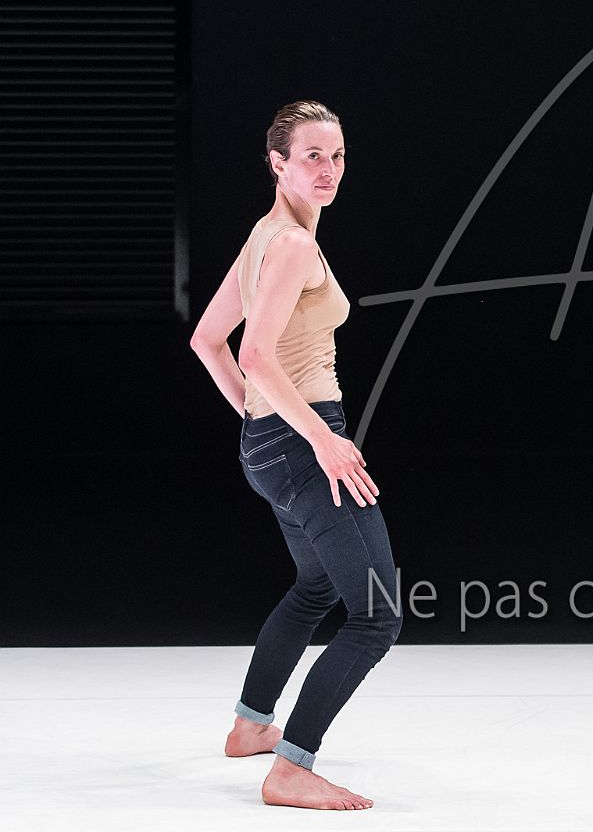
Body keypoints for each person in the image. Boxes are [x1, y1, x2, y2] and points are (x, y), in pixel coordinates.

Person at [188, 100, 397, 810]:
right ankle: (291, 768)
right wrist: (320, 439)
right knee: (377, 616)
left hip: (272, 444)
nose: (328, 169)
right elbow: (252, 353)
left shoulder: (266, 236)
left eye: (336, 156)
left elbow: (207, 340)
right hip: (305, 441)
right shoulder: (294, 246)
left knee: (316, 588)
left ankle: (251, 727)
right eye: (312, 156)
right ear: (277, 163)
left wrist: (262, 422)